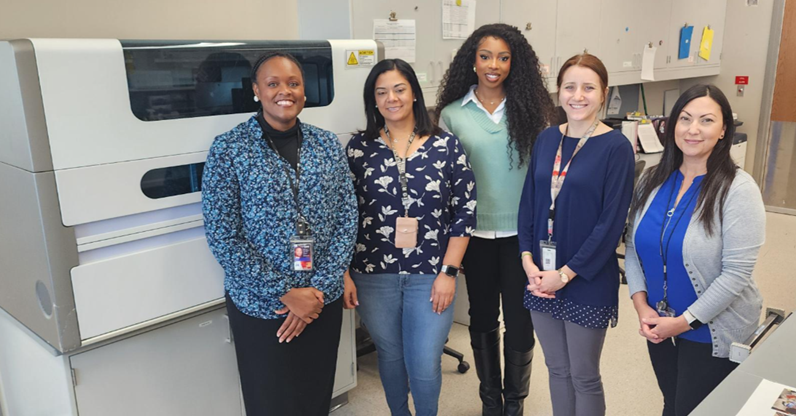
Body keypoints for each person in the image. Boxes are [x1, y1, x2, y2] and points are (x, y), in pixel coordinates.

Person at [202, 52, 357, 416]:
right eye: (273, 84)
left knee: (315, 394)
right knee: (270, 400)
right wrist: (285, 293)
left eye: (293, 83)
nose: (284, 91)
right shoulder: (229, 148)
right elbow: (223, 234)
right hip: (262, 305)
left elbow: (347, 218)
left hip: (321, 299)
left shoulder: (326, 144)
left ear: (304, 91)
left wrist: (317, 291)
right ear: (256, 90)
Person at [344, 58, 477, 416]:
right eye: (381, 92)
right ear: (373, 100)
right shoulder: (358, 149)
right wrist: (343, 273)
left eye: (399, 89)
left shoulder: (445, 146)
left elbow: (465, 211)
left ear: (414, 94)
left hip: (431, 274)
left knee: (424, 360)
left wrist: (449, 272)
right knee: (390, 354)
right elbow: (342, 215)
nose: (391, 98)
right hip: (373, 274)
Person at [624, 84, 766, 416]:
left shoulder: (738, 190)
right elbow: (633, 247)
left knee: (695, 409)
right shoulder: (653, 180)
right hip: (659, 323)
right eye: (685, 118)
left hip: (712, 331)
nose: (693, 129)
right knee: (672, 403)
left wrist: (684, 322)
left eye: (706, 120)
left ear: (723, 130)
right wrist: (642, 306)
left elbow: (736, 275)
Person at [436, 23, 555, 416]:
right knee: (482, 317)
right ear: (472, 61)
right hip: (475, 236)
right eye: (485, 56)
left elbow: (544, 178)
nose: (494, 65)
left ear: (513, 63)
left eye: (503, 58)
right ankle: (490, 400)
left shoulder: (533, 112)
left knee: (521, 322)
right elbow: (446, 183)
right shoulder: (452, 115)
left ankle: (514, 403)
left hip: (523, 237)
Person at [517, 53, 635, 416]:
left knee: (584, 375)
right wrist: (528, 261)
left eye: (588, 88)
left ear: (604, 93)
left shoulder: (616, 148)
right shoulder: (546, 139)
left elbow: (610, 226)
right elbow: (529, 205)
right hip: (541, 276)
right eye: (570, 87)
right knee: (556, 369)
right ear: (559, 92)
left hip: (585, 278)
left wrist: (565, 275)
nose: (578, 96)